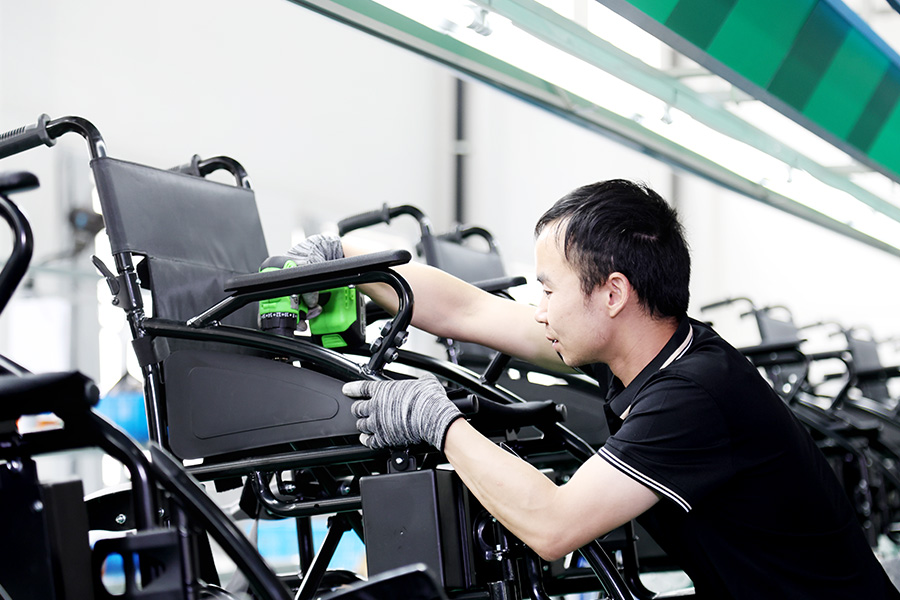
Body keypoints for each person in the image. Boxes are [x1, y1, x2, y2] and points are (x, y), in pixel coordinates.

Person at [288, 179, 899, 599]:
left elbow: (553, 527)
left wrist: (438, 422)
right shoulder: (649, 349)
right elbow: (471, 311)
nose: (539, 307)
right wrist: (345, 259)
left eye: (549, 289)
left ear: (612, 293)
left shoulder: (693, 396)